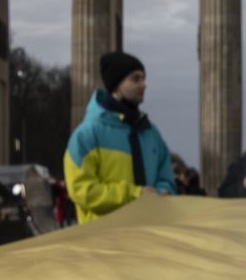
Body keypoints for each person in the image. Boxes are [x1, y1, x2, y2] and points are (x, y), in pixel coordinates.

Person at [64, 51, 177, 222]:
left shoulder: (152, 134)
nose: (143, 84)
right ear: (116, 86)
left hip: (148, 236)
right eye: (135, 79)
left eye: (143, 78)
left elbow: (166, 180)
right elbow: (81, 190)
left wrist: (162, 193)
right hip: (103, 240)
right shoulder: (87, 134)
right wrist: (134, 196)